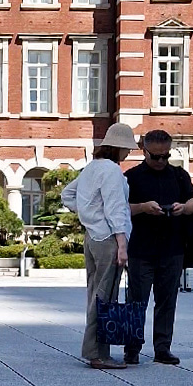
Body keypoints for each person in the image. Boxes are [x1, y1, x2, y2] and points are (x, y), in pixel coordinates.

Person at [61, 123, 137, 369]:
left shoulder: (91, 167)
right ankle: (97, 353)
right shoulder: (112, 171)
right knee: (106, 296)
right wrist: (122, 244)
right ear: (118, 148)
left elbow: (67, 195)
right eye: (126, 149)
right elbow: (115, 208)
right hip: (108, 239)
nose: (128, 154)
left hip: (92, 237)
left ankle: (96, 350)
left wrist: (88, 215)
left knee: (95, 294)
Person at [123, 130, 193, 366]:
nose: (160, 161)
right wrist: (143, 207)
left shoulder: (179, 176)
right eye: (155, 156)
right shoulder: (132, 177)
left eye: (165, 156)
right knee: (136, 301)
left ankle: (162, 348)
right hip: (140, 249)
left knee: (167, 301)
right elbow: (121, 208)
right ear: (143, 151)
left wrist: (184, 208)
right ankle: (132, 348)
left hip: (173, 248)